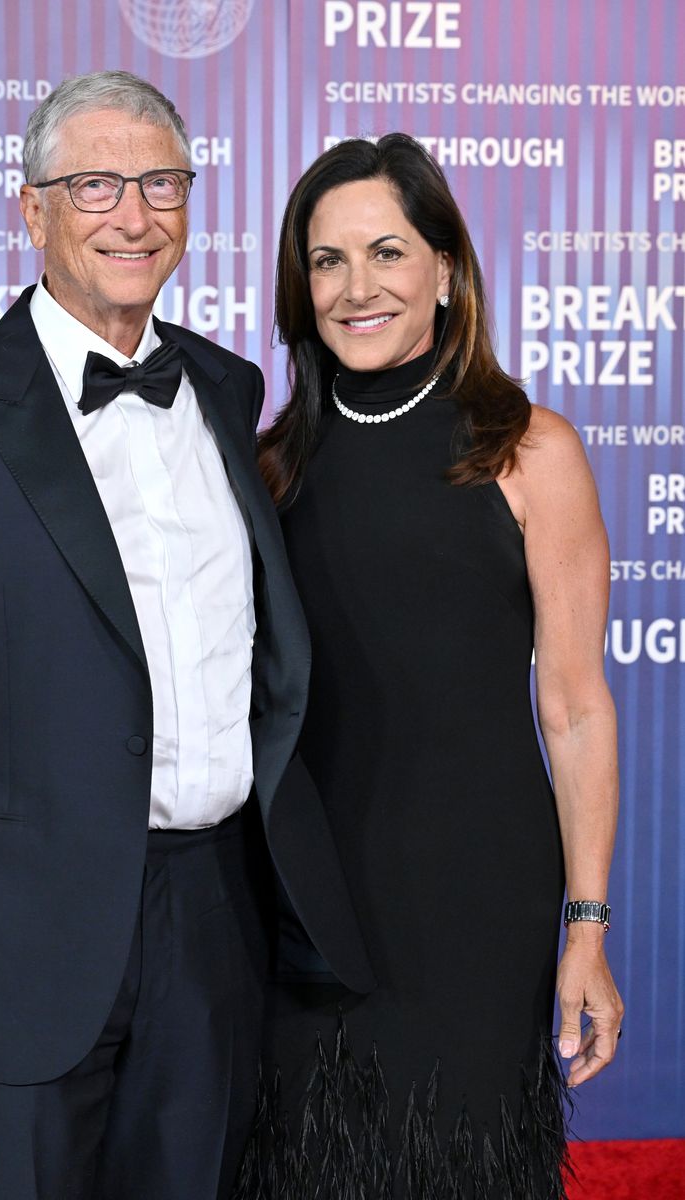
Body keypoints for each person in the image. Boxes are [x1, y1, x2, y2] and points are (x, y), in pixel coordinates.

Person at [0, 71, 373, 1200]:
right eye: (95, 184)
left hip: (215, 924)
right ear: (33, 211)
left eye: (161, 181)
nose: (134, 213)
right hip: (8, 948)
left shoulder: (224, 388)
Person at [234, 135, 624, 1200]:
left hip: (474, 895)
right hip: (301, 900)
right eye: (325, 261)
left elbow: (577, 708)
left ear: (446, 269)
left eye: (387, 252)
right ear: (296, 284)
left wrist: (584, 929)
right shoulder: (268, 466)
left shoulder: (526, 450)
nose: (356, 288)